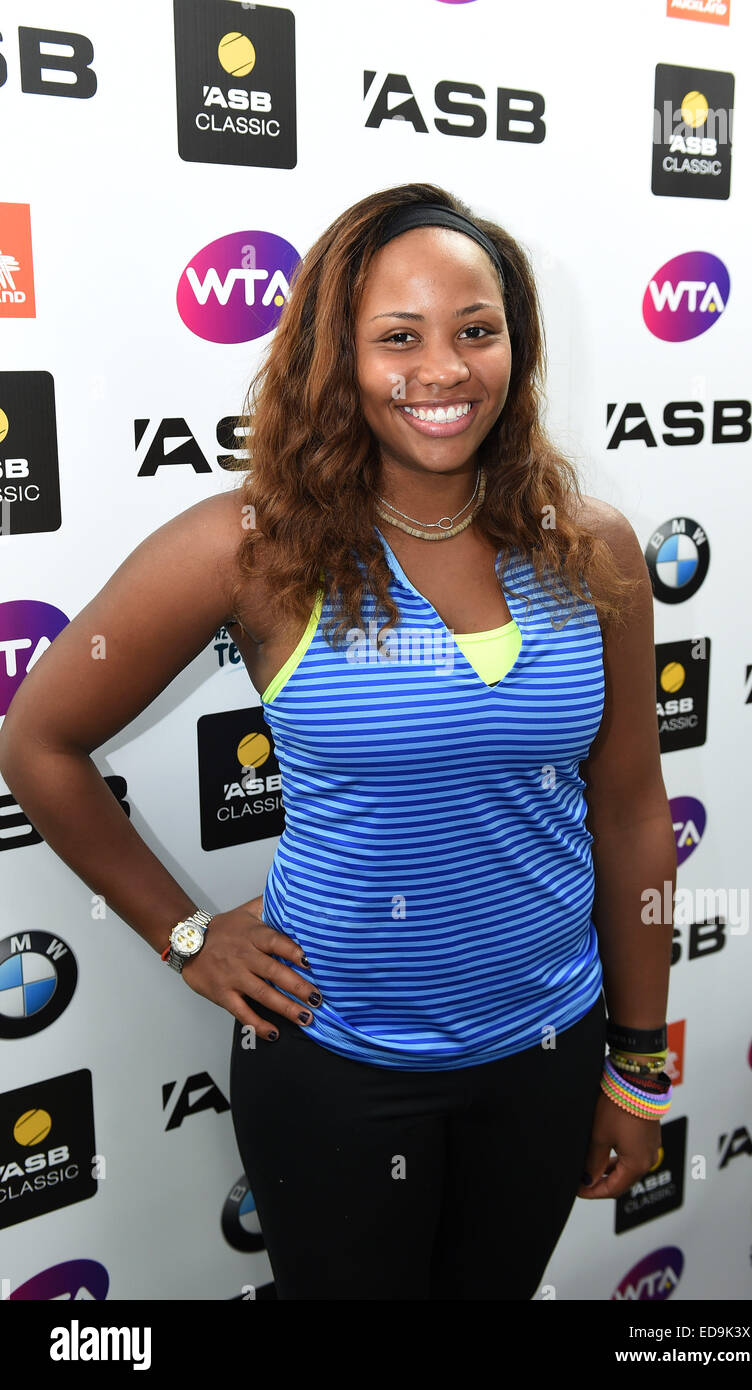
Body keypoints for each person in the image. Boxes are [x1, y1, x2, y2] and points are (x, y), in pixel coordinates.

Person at [0, 182, 677, 1301]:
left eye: (475, 331)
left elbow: (630, 809)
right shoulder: (254, 547)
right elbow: (39, 742)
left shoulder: (588, 544)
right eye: (397, 337)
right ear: (335, 354)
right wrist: (185, 935)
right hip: (338, 1068)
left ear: (516, 343)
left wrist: (638, 1063)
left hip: (548, 1049)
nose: (444, 370)